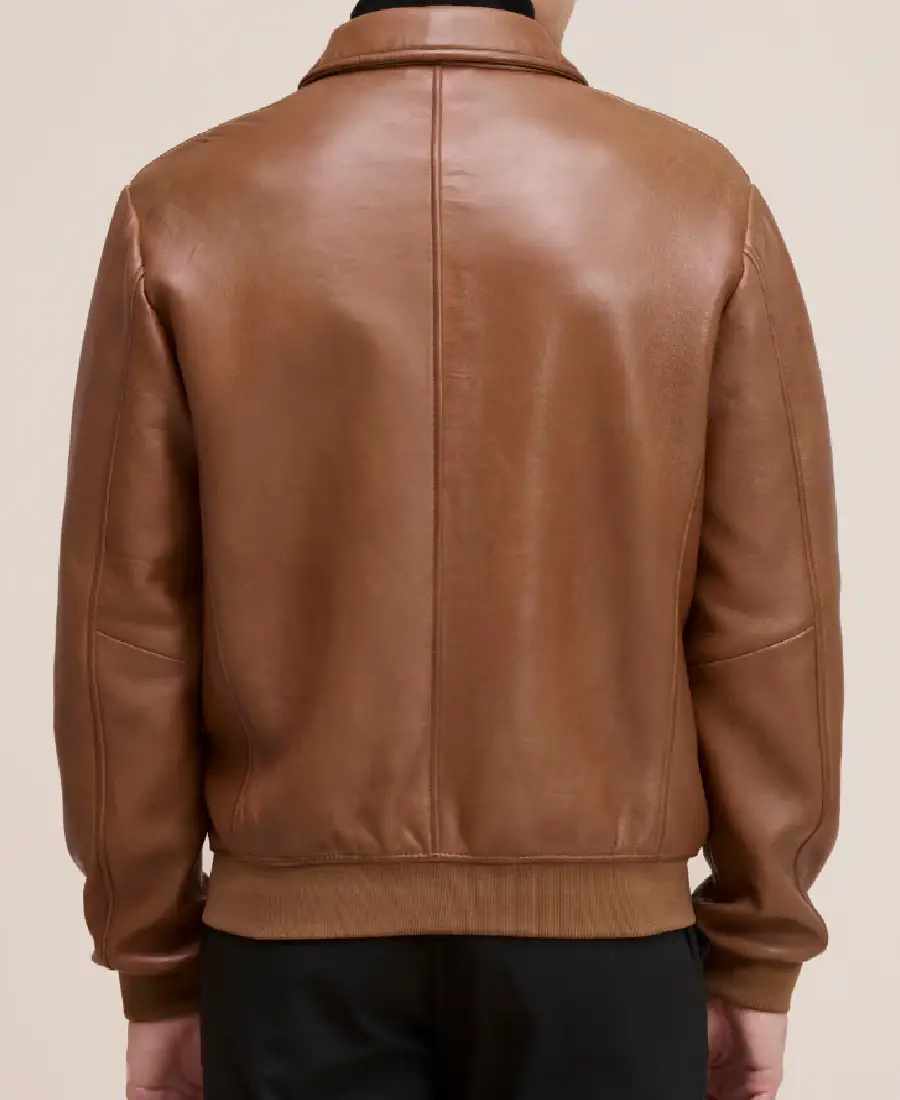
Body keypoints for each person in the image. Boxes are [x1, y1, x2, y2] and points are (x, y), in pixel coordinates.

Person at [53, 1, 843, 1098]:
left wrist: (155, 963)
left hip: (288, 962)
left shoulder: (182, 208)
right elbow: (767, 624)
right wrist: (760, 946)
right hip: (606, 967)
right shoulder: (702, 204)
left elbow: (128, 636)